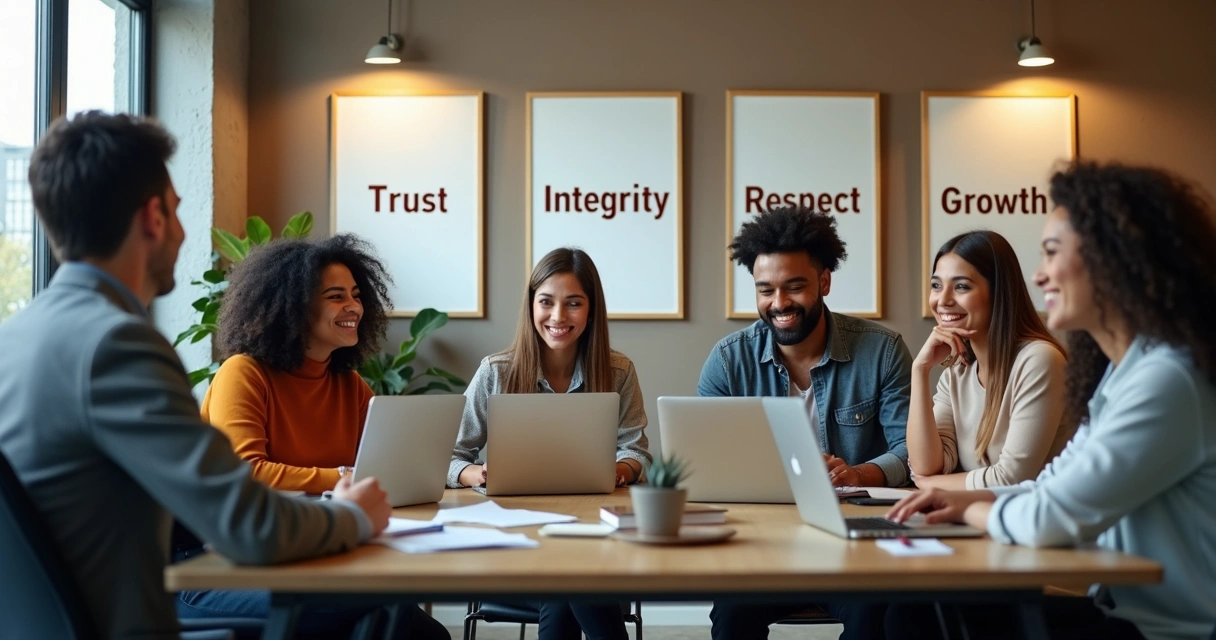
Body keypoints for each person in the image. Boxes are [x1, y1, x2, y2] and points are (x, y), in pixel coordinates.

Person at [0, 111, 392, 639]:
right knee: (388, 618)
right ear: (153, 218)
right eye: (179, 211)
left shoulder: (16, 338)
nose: (184, 231)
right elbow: (249, 524)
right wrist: (353, 516)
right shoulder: (117, 345)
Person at [885, 161, 1216, 640]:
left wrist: (960, 506)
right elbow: (1046, 489)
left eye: (1051, 253)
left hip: (1164, 629)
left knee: (916, 616)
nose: (1038, 276)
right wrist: (946, 495)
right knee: (906, 610)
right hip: (1120, 612)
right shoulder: (1121, 377)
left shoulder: (1169, 380)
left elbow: (1045, 515)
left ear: (1114, 259)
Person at [175, 235, 448, 637]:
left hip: (305, 553)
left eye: (356, 294)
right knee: (378, 614)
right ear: (293, 308)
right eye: (335, 296)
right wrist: (342, 478)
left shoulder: (348, 384)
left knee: (422, 632)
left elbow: (386, 465)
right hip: (213, 566)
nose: (353, 306)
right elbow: (248, 473)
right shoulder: (243, 373)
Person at [701, 205, 912, 640]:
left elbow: (912, 453)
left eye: (794, 287)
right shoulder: (728, 360)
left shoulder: (882, 351)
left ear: (824, 281)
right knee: (731, 619)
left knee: (875, 616)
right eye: (765, 290)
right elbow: (704, 465)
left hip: (853, 544)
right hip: (760, 545)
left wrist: (860, 473)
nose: (779, 304)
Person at [448, 247, 651, 640]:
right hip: (517, 540)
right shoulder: (496, 372)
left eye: (573, 304)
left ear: (591, 310)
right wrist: (477, 473)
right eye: (546, 302)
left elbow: (635, 450)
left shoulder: (618, 371)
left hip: (596, 537)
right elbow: (450, 455)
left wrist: (620, 470)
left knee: (568, 581)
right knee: (572, 581)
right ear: (531, 306)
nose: (558, 317)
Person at [906, 230, 1071, 491]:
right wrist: (920, 370)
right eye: (936, 285)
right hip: (983, 522)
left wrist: (932, 485)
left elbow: (1011, 479)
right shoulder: (956, 373)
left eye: (961, 286)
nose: (943, 300)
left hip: (1042, 526)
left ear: (998, 293)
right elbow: (926, 466)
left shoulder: (1039, 360)